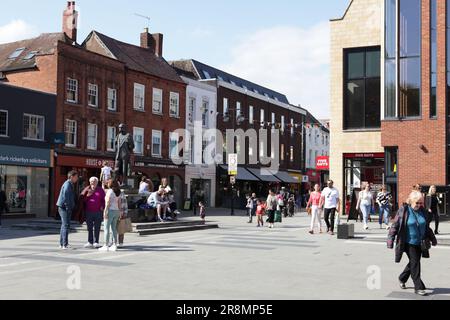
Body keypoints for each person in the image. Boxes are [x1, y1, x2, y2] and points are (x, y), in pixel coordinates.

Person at [388, 191, 437, 296]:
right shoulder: (404, 210)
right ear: (411, 201)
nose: (419, 205)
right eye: (417, 203)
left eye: (421, 203)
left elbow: (426, 227)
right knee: (415, 264)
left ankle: (402, 278)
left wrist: (433, 239)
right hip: (408, 243)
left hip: (420, 243)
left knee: (413, 263)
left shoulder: (422, 211)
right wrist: (390, 240)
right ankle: (418, 287)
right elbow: (395, 226)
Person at [99, 180, 125, 252]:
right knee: (114, 228)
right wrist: (120, 212)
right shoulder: (118, 192)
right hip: (116, 211)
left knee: (106, 228)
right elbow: (119, 203)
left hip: (110, 210)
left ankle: (106, 245)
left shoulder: (110, 192)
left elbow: (107, 202)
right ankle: (114, 244)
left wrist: (105, 211)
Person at [56, 171, 79, 249]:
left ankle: (62, 243)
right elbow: (66, 195)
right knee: (66, 225)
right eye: (76, 177)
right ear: (72, 176)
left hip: (63, 207)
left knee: (64, 225)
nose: (77, 178)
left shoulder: (69, 184)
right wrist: (68, 207)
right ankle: (64, 244)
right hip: (64, 208)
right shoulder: (67, 184)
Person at [81, 177, 105, 249]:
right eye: (91, 181)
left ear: (97, 182)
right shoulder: (87, 189)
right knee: (89, 227)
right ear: (89, 182)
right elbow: (82, 200)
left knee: (97, 227)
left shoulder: (100, 190)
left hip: (98, 211)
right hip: (89, 211)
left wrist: (102, 206)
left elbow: (104, 200)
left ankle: (96, 242)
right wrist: (88, 195)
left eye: (94, 181)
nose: (93, 183)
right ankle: (90, 241)